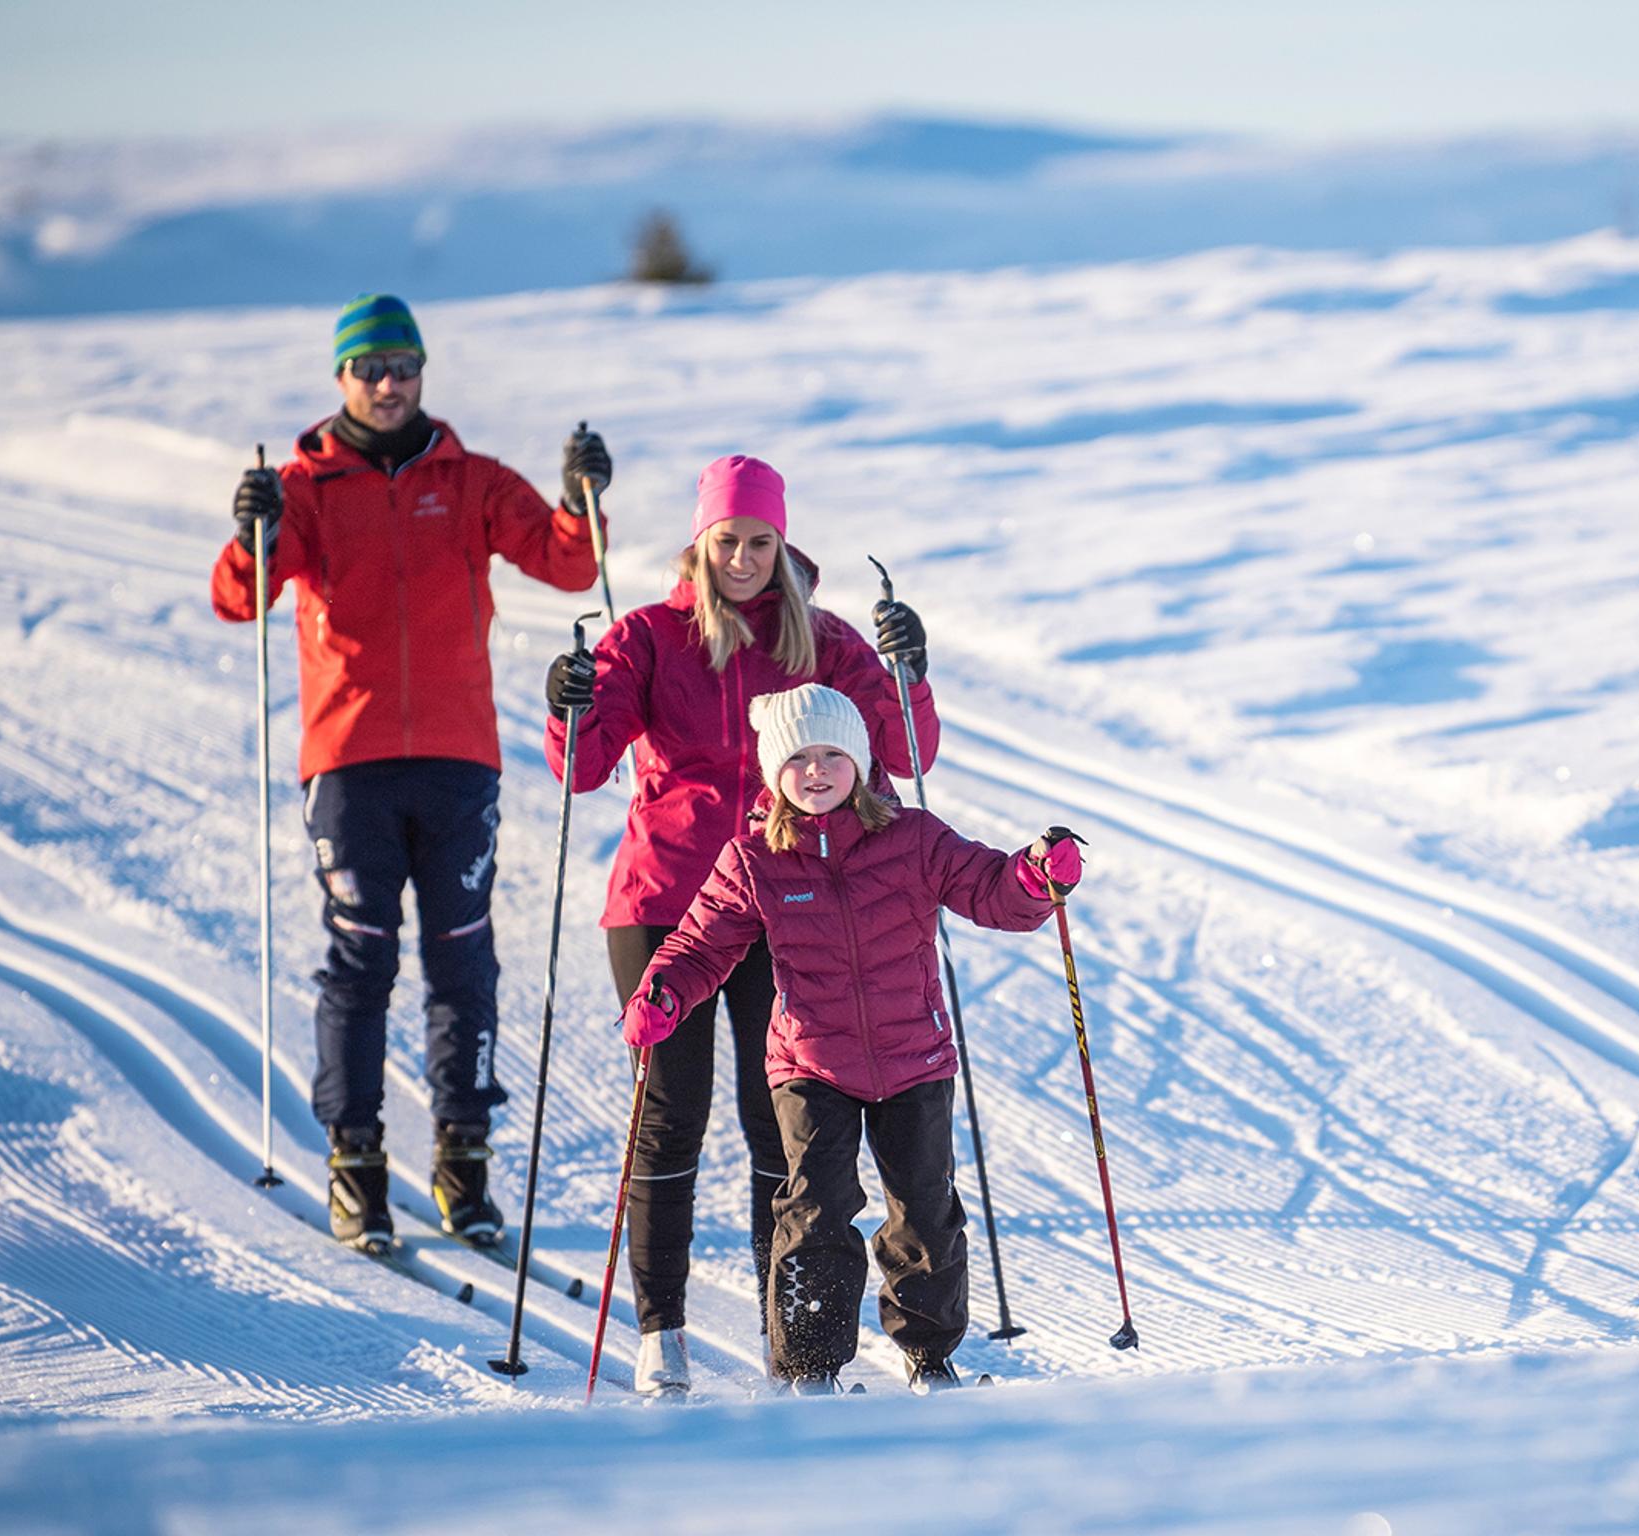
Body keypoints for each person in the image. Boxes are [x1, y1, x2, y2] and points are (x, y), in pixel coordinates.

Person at [210, 293, 612, 1253]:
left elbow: (566, 564)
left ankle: (462, 1163)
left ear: (423, 371)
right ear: (341, 376)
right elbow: (239, 598)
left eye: (403, 366)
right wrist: (250, 530)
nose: (388, 384)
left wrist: (581, 500)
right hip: (348, 763)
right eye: (370, 368)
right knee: (362, 959)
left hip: (457, 758)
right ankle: (356, 1167)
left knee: (463, 958)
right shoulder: (305, 487)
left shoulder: (471, 480)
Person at [541, 454, 937, 1394]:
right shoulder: (649, 637)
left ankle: (785, 1334)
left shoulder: (826, 643)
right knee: (670, 1117)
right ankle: (661, 1332)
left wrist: (908, 673)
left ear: (783, 544)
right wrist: (570, 705)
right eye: (728, 541)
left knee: (783, 1128)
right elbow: (581, 768)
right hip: (663, 904)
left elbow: (905, 754)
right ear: (700, 542)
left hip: (783, 903)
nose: (745, 559)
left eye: (762, 542)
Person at [620, 684, 1084, 1394]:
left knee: (925, 1213)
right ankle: (809, 1368)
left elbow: (992, 890)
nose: (816, 770)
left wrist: (1033, 876)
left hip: (914, 1057)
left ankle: (929, 1358)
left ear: (861, 763)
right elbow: (701, 943)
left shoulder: (914, 838)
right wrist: (664, 990)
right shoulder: (754, 858)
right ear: (774, 772)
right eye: (798, 758)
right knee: (815, 1213)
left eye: (833, 754)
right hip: (812, 1063)